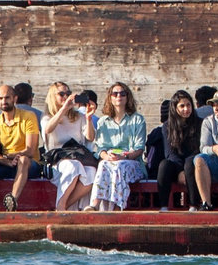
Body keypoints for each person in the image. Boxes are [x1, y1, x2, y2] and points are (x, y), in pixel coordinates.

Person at [88, 82, 148, 210]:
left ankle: (117, 207)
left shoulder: (138, 119)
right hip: (110, 160)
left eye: (122, 93)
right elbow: (100, 149)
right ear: (110, 98)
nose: (118, 96)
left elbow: (139, 149)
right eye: (115, 94)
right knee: (103, 164)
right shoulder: (103, 122)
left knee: (119, 166)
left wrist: (123, 157)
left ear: (127, 97)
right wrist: (107, 157)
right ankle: (95, 204)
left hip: (131, 162)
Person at [46, 88, 101, 209]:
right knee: (74, 165)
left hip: (77, 158)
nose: (65, 96)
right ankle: (61, 205)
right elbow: (48, 129)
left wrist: (89, 118)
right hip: (56, 161)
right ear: (52, 97)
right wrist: (64, 109)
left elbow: (90, 137)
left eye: (68, 94)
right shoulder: (47, 116)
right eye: (61, 94)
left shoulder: (79, 116)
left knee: (91, 172)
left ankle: (63, 207)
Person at [151, 90, 201, 208]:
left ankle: (193, 206)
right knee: (164, 165)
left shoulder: (199, 123)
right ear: (175, 108)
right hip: (176, 165)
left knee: (190, 164)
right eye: (182, 106)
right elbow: (169, 152)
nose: (186, 109)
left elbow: (198, 149)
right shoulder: (167, 126)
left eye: (188, 105)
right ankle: (163, 206)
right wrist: (179, 171)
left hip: (192, 163)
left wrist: (185, 169)